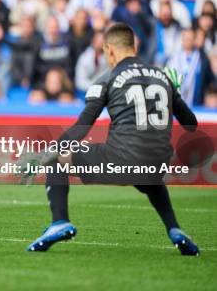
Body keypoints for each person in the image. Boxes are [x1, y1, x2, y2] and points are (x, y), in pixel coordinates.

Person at [23, 23, 200, 256]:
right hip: (157, 163)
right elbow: (191, 124)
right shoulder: (163, 77)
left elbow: (81, 128)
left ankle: (60, 221)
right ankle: (174, 229)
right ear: (133, 47)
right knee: (149, 176)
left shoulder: (107, 78)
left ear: (109, 49)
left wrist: (45, 154)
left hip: (121, 159)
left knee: (58, 158)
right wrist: (173, 92)